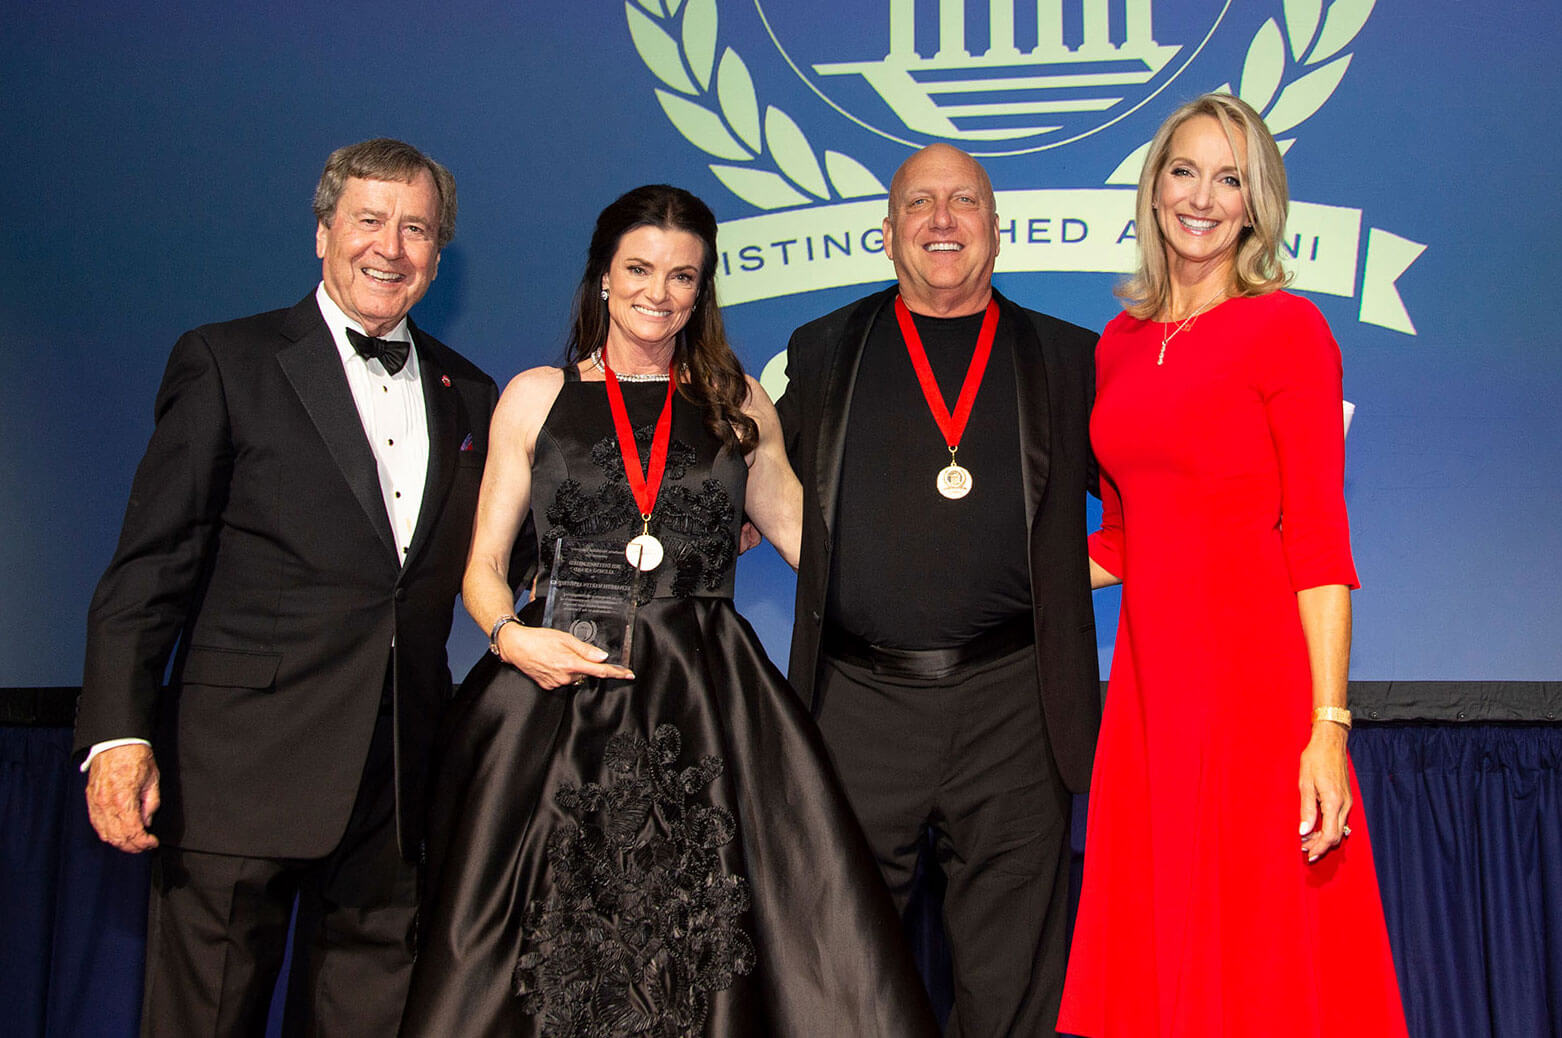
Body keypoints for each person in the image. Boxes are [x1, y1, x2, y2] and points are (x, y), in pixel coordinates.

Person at [398, 184, 938, 1037]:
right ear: (603, 279)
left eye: (684, 277)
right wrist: (511, 638)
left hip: (706, 691)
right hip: (554, 691)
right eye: (641, 270)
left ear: (703, 289)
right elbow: (484, 568)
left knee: (712, 939)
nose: (661, 292)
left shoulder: (739, 404)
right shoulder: (535, 397)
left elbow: (809, 543)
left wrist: (953, 566)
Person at [75, 138, 508, 1035]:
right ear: (322, 233)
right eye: (369, 221)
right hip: (238, 774)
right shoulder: (227, 361)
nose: (390, 247)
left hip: (396, 786)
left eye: (417, 228)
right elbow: (151, 566)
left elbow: (509, 555)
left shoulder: (471, 391)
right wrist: (118, 734)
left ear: (439, 253)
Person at [1056, 93, 1408, 1036]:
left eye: (1230, 178)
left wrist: (1327, 728)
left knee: (1258, 956)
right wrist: (982, 565)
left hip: (1255, 684)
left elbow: (1321, 542)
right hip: (1148, 689)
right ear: (1154, 187)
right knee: (1159, 951)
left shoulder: (1288, 331)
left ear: (1256, 204)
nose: (1202, 197)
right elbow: (1126, 539)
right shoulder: (1121, 345)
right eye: (1185, 171)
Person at [775, 144, 1101, 1035]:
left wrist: (1074, 571)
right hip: (858, 701)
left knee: (1012, 984)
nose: (943, 220)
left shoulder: (1070, 358)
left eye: (966, 202)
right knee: (843, 969)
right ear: (887, 234)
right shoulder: (826, 348)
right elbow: (746, 493)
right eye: (921, 203)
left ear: (999, 230)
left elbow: (1157, 500)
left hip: (1016, 704)